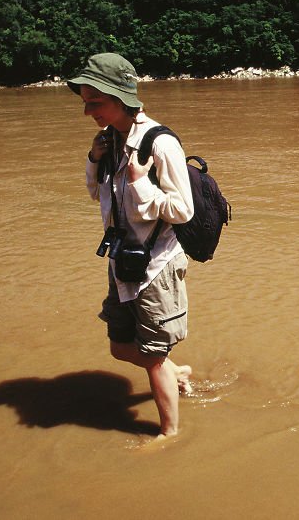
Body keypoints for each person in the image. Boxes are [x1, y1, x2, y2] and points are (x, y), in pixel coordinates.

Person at [68, 53, 195, 440]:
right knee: (119, 348)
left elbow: (182, 210)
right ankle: (176, 373)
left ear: (120, 96)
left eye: (96, 102)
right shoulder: (109, 140)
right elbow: (96, 194)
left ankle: (169, 435)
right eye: (86, 102)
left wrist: (142, 185)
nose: (88, 111)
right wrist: (94, 159)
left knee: (154, 358)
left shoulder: (159, 143)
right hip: (123, 262)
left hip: (156, 265)